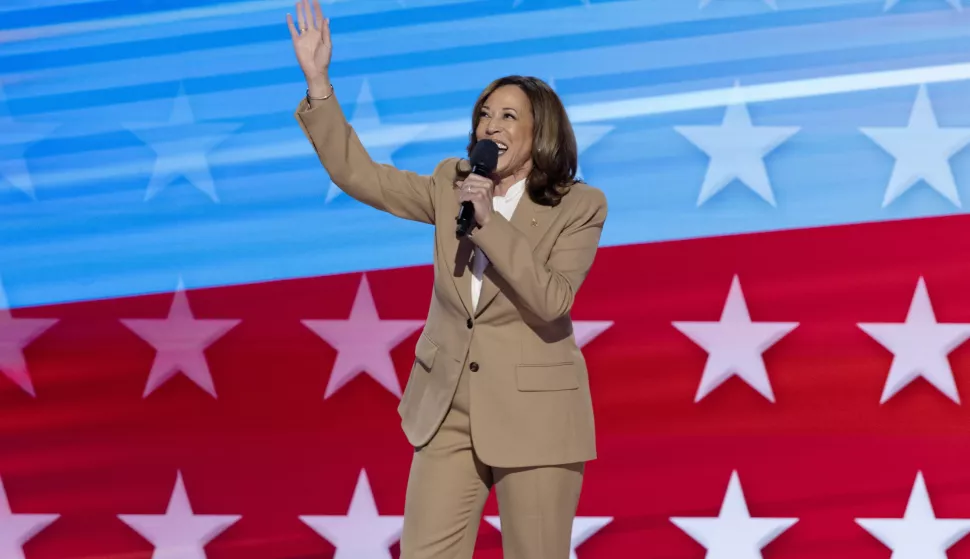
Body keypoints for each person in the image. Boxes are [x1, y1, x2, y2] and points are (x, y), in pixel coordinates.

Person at [287, 1, 608, 557]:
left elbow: (551, 299)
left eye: (508, 115)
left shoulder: (579, 205)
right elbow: (361, 176)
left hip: (535, 414)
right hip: (447, 407)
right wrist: (319, 84)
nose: (491, 124)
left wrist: (488, 224)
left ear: (542, 131)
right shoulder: (449, 183)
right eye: (485, 114)